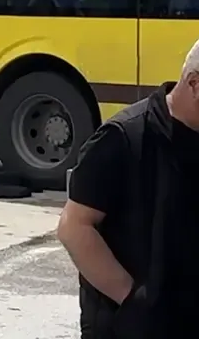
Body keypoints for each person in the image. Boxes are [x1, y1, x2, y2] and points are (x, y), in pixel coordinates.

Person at [58, 37, 199, 337]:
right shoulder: (123, 138)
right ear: (194, 84)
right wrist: (133, 299)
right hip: (130, 326)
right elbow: (74, 226)